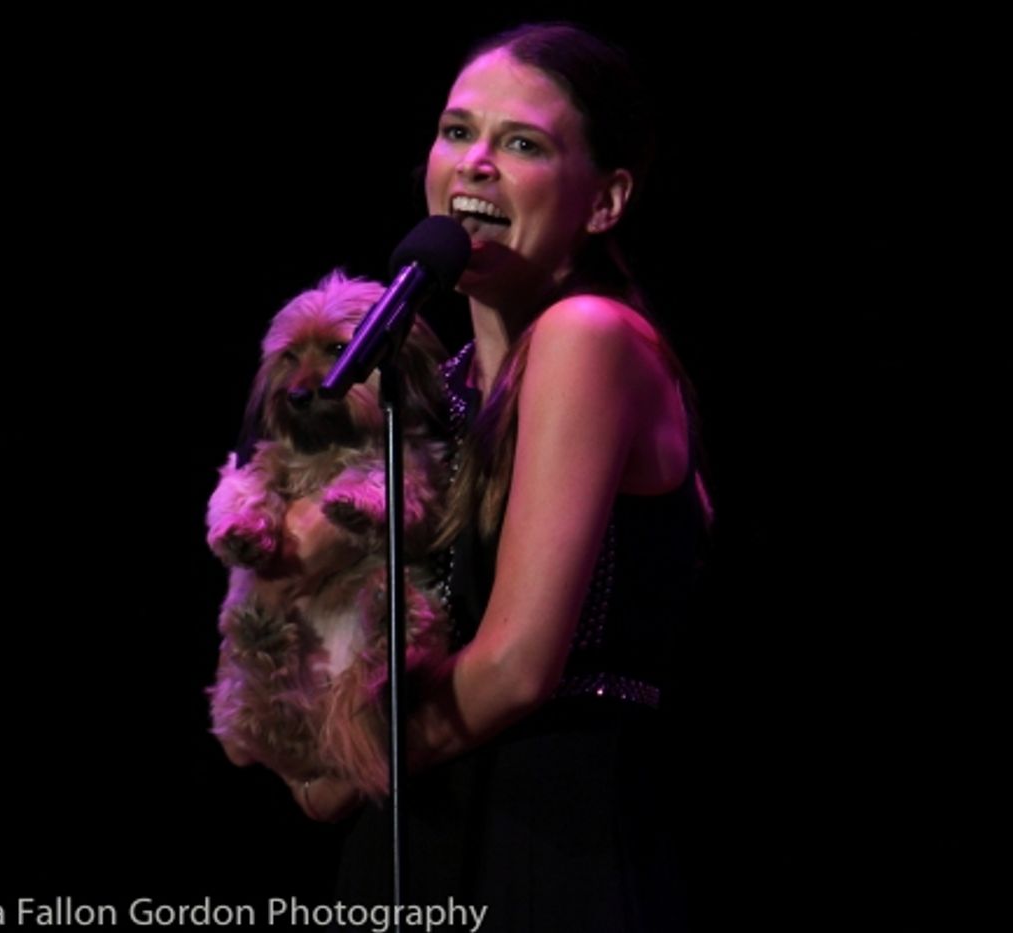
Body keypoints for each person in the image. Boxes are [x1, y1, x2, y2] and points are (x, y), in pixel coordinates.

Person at [271, 23, 711, 931]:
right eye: (456, 130)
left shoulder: (589, 335)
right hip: (421, 836)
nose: (474, 164)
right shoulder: (439, 384)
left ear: (605, 200)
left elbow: (515, 665)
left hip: (553, 835)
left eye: (521, 145)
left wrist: (340, 768)